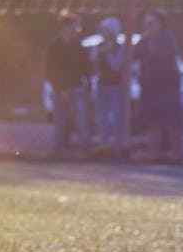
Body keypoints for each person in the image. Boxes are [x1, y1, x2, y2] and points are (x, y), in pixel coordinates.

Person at [137, 10, 183, 162]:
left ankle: (176, 154)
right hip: (150, 86)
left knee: (172, 121)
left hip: (167, 86)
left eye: (151, 23)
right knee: (152, 121)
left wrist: (149, 42)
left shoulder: (167, 38)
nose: (148, 26)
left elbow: (161, 56)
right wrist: (143, 40)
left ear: (160, 24)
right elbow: (135, 54)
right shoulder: (144, 40)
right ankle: (154, 154)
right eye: (146, 23)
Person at [46, 12, 91, 157]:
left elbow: (86, 67)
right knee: (60, 120)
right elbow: (50, 70)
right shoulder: (54, 46)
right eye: (73, 26)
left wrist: (87, 82)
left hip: (77, 88)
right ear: (65, 27)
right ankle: (59, 149)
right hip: (60, 90)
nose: (76, 30)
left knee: (81, 120)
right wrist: (60, 89)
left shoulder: (78, 46)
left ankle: (85, 150)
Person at [95, 17, 126, 155]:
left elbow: (116, 66)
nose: (103, 33)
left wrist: (108, 52)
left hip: (115, 86)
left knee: (116, 115)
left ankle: (118, 145)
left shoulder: (119, 47)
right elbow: (94, 63)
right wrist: (100, 52)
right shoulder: (99, 45)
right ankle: (104, 144)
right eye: (102, 30)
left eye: (106, 30)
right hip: (102, 84)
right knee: (102, 116)